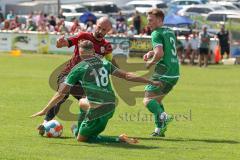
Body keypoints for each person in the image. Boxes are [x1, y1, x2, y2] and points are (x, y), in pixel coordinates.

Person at [31, 40, 160, 144]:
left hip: (98, 109)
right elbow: (126, 75)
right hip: (111, 105)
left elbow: (61, 93)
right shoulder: (104, 63)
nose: (83, 58)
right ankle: (79, 129)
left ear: (91, 52)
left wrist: (45, 109)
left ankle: (120, 139)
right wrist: (149, 81)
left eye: (83, 55)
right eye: (82, 56)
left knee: (82, 139)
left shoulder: (78, 68)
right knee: (82, 102)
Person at [37, 17, 116, 135]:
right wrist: (60, 43)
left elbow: (109, 64)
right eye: (99, 27)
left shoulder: (107, 46)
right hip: (68, 74)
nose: (100, 31)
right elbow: (66, 43)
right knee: (63, 94)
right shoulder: (83, 36)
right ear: (95, 25)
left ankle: (78, 129)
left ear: (109, 31)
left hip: (85, 81)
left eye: (104, 29)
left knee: (89, 103)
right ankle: (45, 124)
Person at [143, 8, 180, 137]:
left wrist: (150, 63)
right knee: (156, 101)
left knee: (147, 100)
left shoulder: (156, 33)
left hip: (164, 72)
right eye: (148, 20)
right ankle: (159, 130)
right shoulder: (169, 31)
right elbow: (166, 50)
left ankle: (164, 117)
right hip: (174, 73)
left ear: (159, 20)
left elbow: (160, 53)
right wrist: (151, 52)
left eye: (151, 20)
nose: (149, 23)